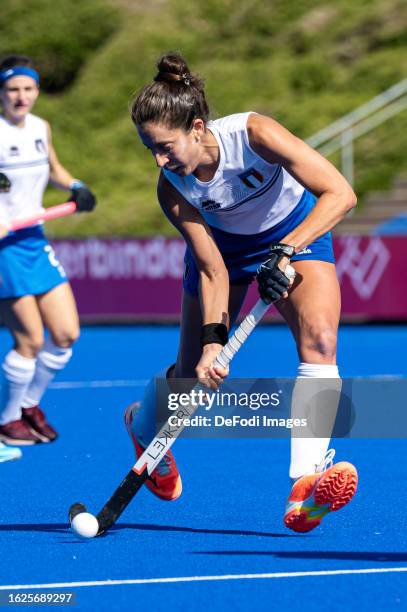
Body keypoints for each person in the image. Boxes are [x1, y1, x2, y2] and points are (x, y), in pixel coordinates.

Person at [125, 52, 358, 532]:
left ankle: (305, 483)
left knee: (320, 341)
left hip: (295, 231)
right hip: (224, 256)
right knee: (191, 375)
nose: (160, 160)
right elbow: (211, 269)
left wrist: (287, 251)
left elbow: (339, 193)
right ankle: (143, 425)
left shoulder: (254, 134)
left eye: (165, 147)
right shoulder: (172, 189)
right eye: (150, 149)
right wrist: (214, 343)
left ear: (196, 127)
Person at [0, 55, 96, 453]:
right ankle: (7, 422)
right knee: (30, 341)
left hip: (34, 240)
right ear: (1, 94)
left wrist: (74, 184)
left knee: (66, 334)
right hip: (3, 248)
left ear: (36, 91)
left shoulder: (41, 127)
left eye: (27, 89)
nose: (21, 97)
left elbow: (52, 168)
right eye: (12, 90)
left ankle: (28, 404)